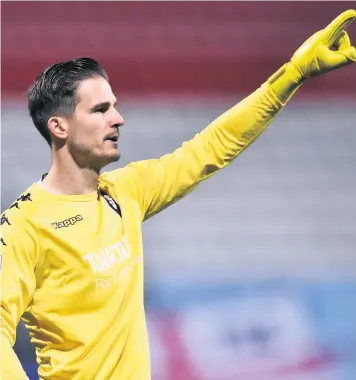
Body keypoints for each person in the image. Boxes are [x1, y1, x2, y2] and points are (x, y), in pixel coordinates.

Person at [1, 9, 355, 380]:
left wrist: (292, 76)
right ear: (59, 126)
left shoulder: (126, 191)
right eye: (101, 109)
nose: (118, 118)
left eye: (116, 106)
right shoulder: (25, 226)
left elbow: (210, 148)